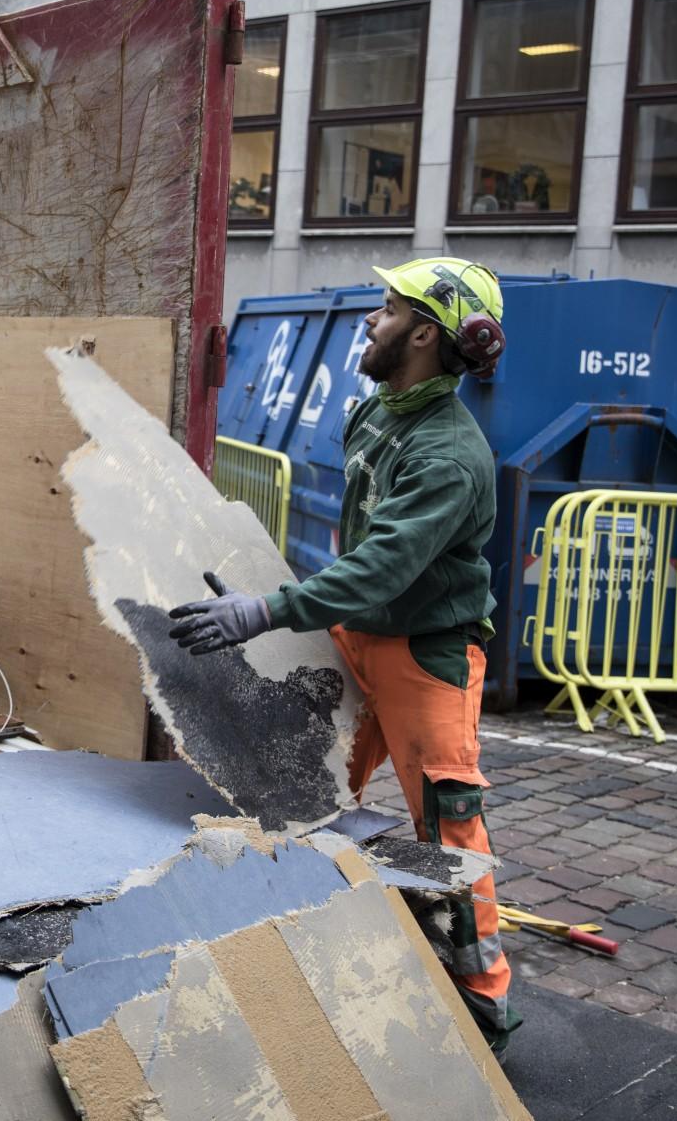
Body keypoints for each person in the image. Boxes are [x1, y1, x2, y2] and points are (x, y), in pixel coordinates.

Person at [167, 257, 521, 1056]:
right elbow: (355, 545)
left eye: (388, 307)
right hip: (355, 632)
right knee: (306, 785)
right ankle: (292, 937)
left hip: (422, 654)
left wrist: (265, 610)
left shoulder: (451, 456)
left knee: (447, 825)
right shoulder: (379, 413)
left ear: (425, 334)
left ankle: (480, 996)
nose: (371, 318)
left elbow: (384, 565)